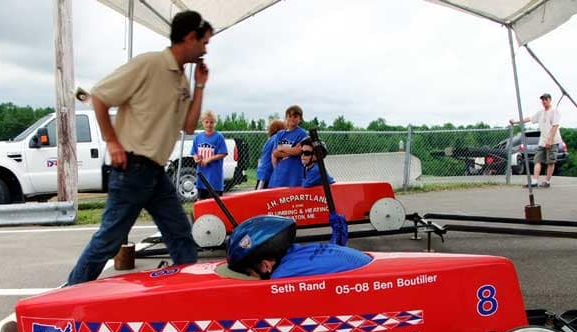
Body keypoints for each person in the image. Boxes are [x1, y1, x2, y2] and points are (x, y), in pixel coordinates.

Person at [66, 11, 213, 285]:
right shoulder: (149, 64)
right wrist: (112, 141)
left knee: (181, 235)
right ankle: (63, 301)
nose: (205, 49)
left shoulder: (181, 81)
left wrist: (200, 86)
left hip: (156, 172)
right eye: (204, 42)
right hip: (131, 168)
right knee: (108, 242)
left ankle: (193, 297)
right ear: (190, 37)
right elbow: (99, 97)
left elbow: (190, 126)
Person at [227, 215, 371, 279]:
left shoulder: (282, 275)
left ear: (266, 265)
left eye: (250, 275)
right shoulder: (296, 251)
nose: (252, 278)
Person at [509, 93, 562, 188]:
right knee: (537, 160)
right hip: (542, 140)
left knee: (550, 162)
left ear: (550, 100)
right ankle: (534, 181)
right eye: (542, 100)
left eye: (546, 99)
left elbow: (555, 126)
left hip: (553, 140)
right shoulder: (540, 112)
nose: (544, 101)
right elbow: (530, 118)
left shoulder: (555, 111)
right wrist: (516, 122)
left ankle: (547, 181)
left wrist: (550, 140)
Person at [268, 105, 308, 188]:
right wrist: (292, 150)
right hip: (279, 174)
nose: (292, 118)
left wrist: (282, 148)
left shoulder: (302, 134)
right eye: (290, 116)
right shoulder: (280, 134)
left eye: (295, 116)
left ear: (300, 119)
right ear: (286, 117)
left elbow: (299, 151)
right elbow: (275, 153)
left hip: (294, 175)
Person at [192, 110, 228, 198]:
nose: (209, 124)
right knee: (202, 203)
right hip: (202, 178)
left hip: (214, 179)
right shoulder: (198, 137)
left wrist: (209, 159)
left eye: (211, 122)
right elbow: (194, 152)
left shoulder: (219, 137)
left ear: (215, 123)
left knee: (215, 206)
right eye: (206, 122)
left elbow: (223, 153)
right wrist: (196, 158)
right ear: (203, 122)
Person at [255, 119, 285, 189]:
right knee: (259, 196)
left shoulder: (271, 139)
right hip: (266, 172)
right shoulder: (277, 138)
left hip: (264, 171)